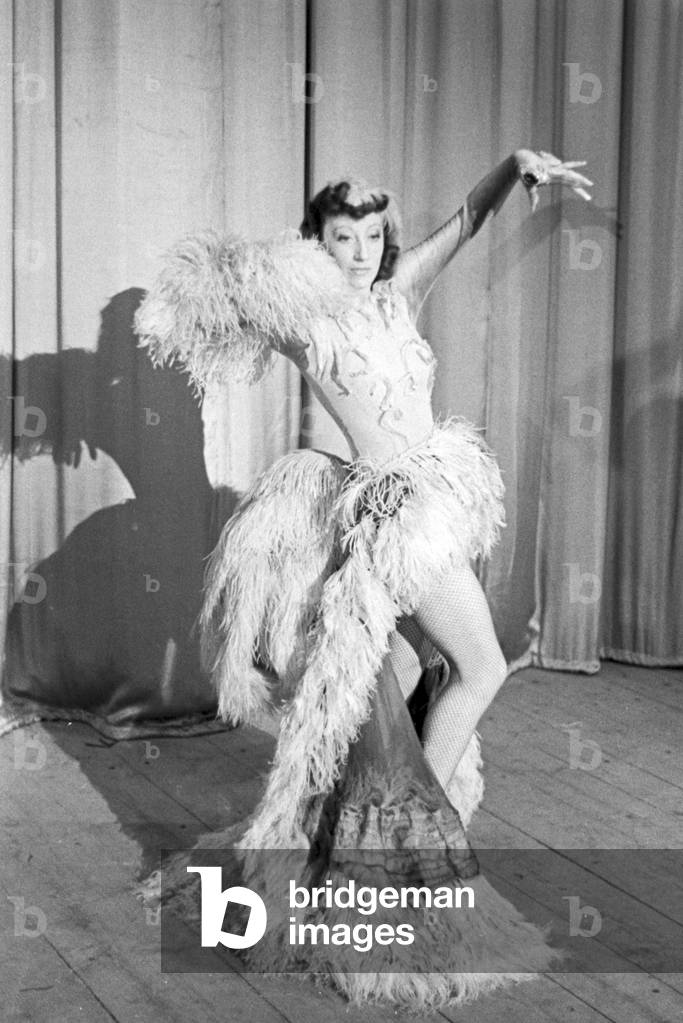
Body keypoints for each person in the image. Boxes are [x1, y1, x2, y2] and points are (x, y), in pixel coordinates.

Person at [135, 148, 591, 1006]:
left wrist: (508, 166)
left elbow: (466, 219)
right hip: (393, 516)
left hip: (438, 493)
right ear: (315, 242)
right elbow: (205, 302)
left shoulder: (395, 292)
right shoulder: (306, 317)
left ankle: (377, 815)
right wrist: (200, 288)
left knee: (421, 673)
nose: (360, 251)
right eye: (341, 236)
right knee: (483, 666)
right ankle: (419, 842)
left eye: (372, 234)